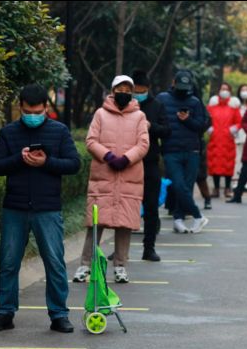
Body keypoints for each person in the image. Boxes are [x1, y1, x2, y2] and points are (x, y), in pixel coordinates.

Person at [0, 84, 81, 333]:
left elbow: (74, 164)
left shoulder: (59, 131)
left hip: (47, 207)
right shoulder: (8, 133)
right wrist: (20, 159)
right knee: (8, 262)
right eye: (28, 111)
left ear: (46, 108)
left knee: (54, 261)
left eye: (37, 111)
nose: (32, 115)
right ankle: (5, 312)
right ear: (20, 107)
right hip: (15, 207)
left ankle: (59, 314)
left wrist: (46, 162)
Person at [72, 75, 149, 284]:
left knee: (124, 225)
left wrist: (126, 159)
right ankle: (85, 266)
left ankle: (121, 267)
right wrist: (107, 156)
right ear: (112, 90)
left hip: (128, 177)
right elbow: (91, 140)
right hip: (103, 176)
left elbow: (143, 144)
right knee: (95, 224)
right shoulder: (100, 114)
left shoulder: (140, 116)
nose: (123, 92)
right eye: (119, 88)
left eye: (127, 89)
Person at [157, 70, 209, 234]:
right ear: (173, 83)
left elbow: (202, 125)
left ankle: (178, 220)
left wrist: (188, 120)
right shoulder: (162, 99)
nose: (182, 89)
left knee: (186, 186)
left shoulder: (195, 101)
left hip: (192, 150)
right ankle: (198, 216)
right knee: (178, 185)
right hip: (171, 150)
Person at [132, 69, 171, 263]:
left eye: (142, 90)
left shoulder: (157, 106)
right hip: (128, 163)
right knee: (126, 207)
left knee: (151, 207)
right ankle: (120, 248)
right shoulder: (126, 106)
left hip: (150, 162)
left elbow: (167, 131)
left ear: (148, 89)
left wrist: (151, 126)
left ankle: (149, 248)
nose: (139, 93)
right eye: (135, 90)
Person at [207, 82, 242, 200]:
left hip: (228, 139)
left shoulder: (233, 108)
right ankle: (216, 188)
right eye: (223, 89)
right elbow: (206, 118)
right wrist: (209, 128)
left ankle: (227, 188)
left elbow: (239, 121)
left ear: (230, 92)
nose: (224, 91)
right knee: (214, 163)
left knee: (228, 163)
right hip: (215, 139)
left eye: (227, 89)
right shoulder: (212, 107)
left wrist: (233, 130)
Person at [233, 84, 247, 193]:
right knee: (237, 159)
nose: (245, 92)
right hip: (237, 135)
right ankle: (236, 180)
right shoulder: (236, 105)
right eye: (243, 90)